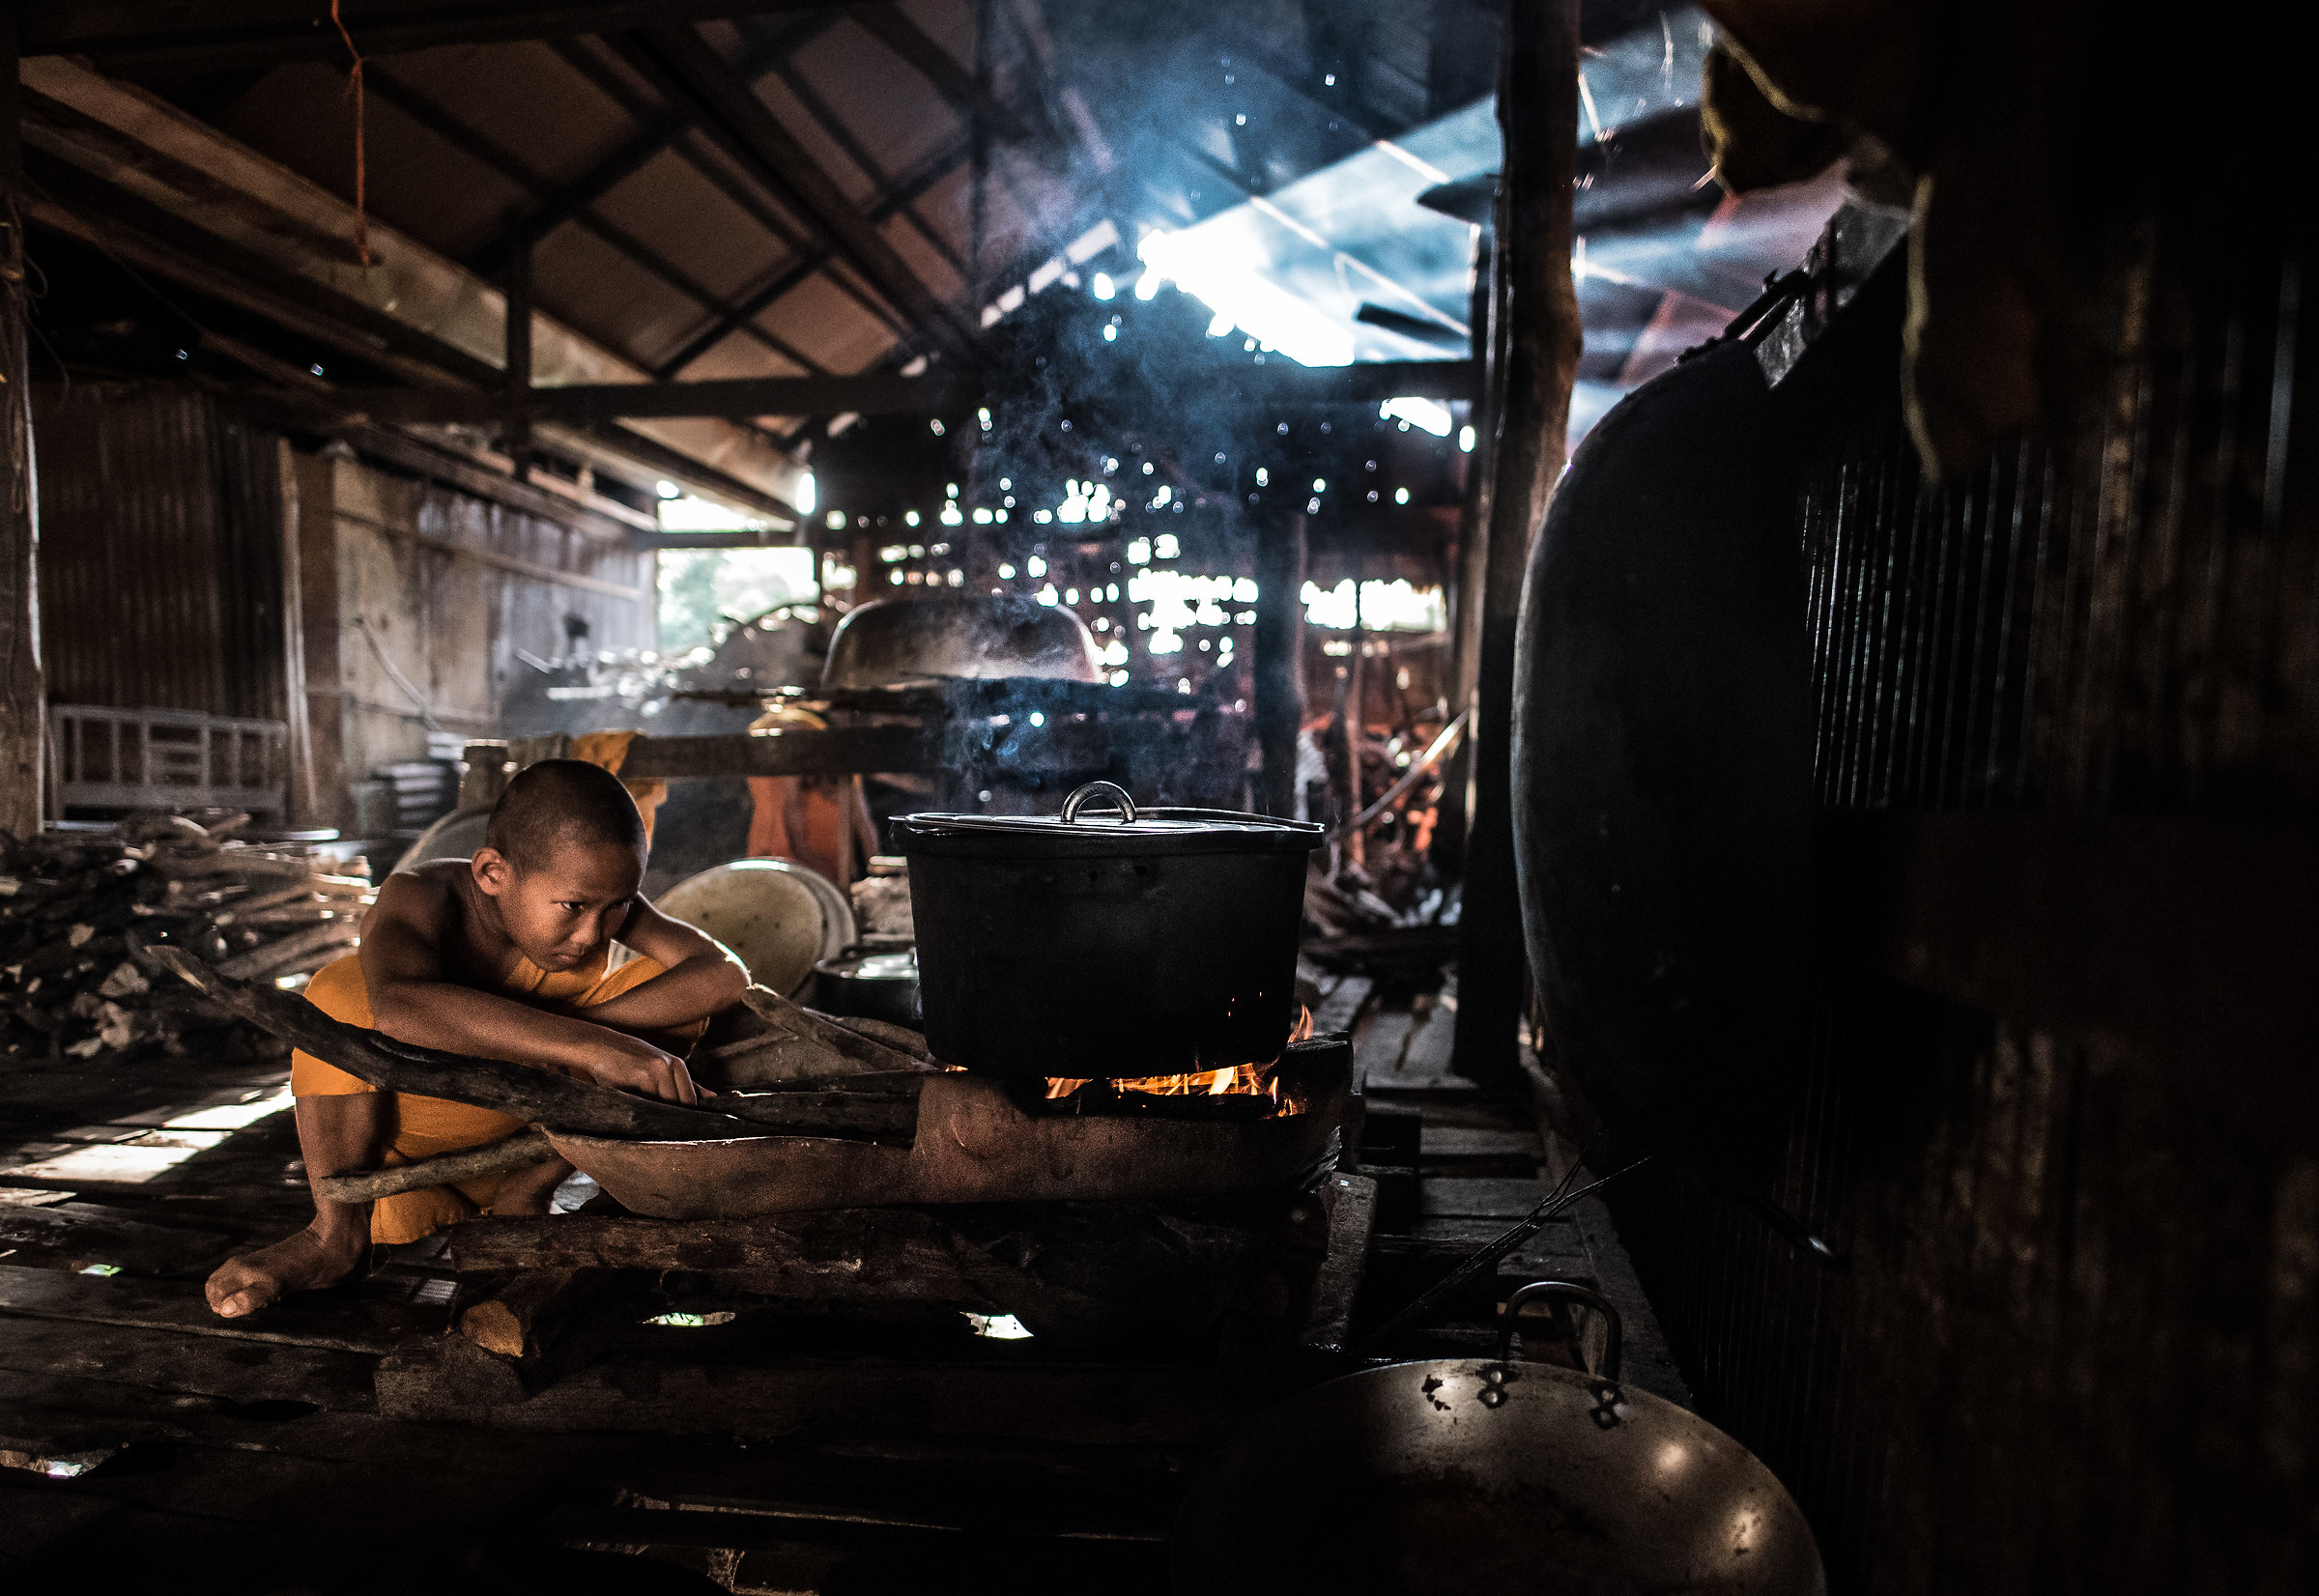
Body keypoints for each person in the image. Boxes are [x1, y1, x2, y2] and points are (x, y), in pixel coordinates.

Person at [205, 760, 749, 1318]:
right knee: (340, 993)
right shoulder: (421, 896)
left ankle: (530, 1188)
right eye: (574, 907)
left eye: (617, 907)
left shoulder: (600, 900)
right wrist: (589, 1045)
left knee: (671, 997)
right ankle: (335, 1235)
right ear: (493, 872)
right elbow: (398, 1004)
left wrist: (597, 1033)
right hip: (403, 1150)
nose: (592, 934)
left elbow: (724, 974)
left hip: (530, 1138)